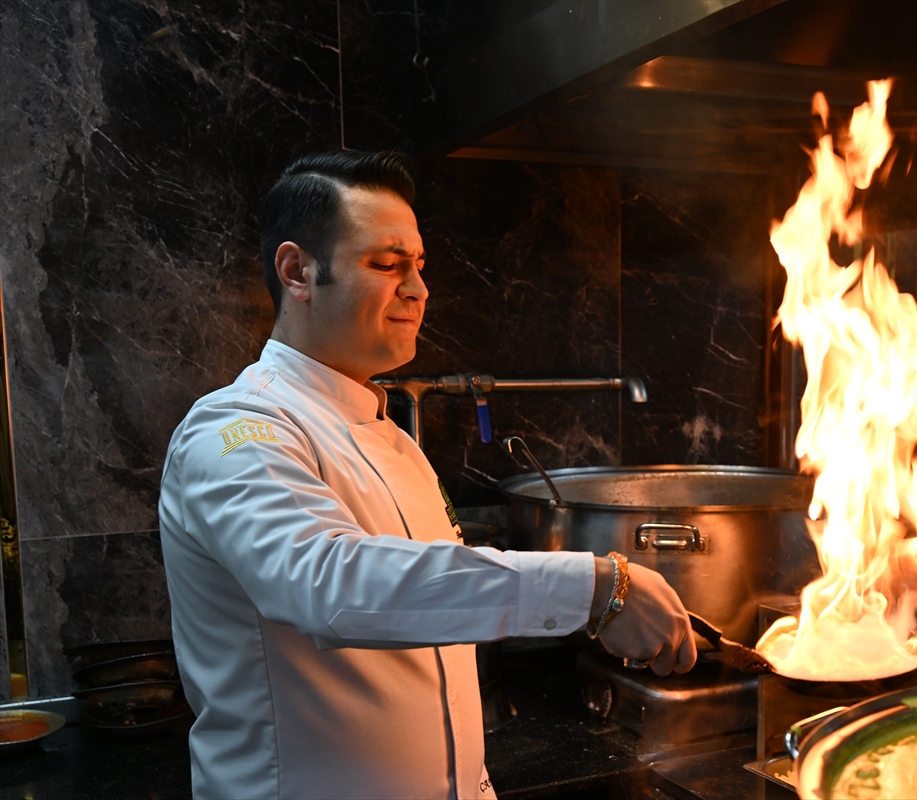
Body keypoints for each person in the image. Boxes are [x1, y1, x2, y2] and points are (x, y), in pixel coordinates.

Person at [158, 150, 697, 800]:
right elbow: (329, 586)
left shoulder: (394, 439)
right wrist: (592, 588)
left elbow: (432, 634)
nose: (418, 288)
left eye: (418, 266)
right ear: (298, 271)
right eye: (386, 265)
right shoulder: (236, 430)